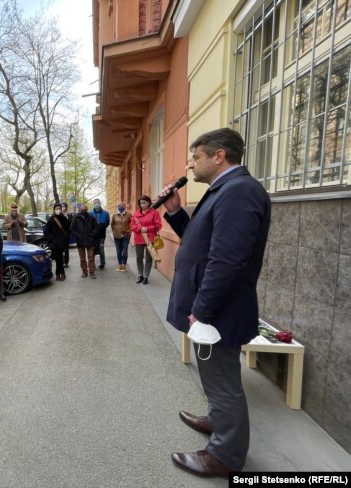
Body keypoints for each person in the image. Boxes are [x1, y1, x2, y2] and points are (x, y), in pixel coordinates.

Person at [160, 128, 271, 477]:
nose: (191, 164)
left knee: (223, 384)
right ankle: (218, 421)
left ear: (218, 156)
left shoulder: (239, 191)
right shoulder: (224, 190)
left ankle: (224, 456)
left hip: (217, 313)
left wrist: (201, 311)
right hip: (212, 312)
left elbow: (227, 259)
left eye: (196, 157)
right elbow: (202, 241)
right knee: (216, 379)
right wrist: (177, 213)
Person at [130, 196, 162, 284]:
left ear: (149, 203)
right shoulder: (136, 214)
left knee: (148, 258)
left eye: (144, 202)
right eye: (141, 203)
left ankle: (146, 276)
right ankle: (140, 275)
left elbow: (158, 226)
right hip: (139, 238)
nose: (142, 205)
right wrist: (140, 229)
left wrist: (147, 229)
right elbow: (132, 226)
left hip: (150, 239)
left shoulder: (154, 213)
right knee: (139, 258)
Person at [70, 204, 98, 279]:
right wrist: (78, 236)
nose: (83, 210)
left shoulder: (92, 217)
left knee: (91, 257)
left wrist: (92, 236)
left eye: (84, 209)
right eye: (81, 209)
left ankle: (91, 272)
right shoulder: (76, 218)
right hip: (80, 241)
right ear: (79, 210)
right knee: (82, 258)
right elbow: (72, 229)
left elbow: (96, 228)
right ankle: (84, 272)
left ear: (87, 210)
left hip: (90, 241)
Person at [43, 203, 70, 281]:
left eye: (59, 208)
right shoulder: (51, 219)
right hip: (54, 244)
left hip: (61, 243)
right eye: (57, 208)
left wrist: (66, 237)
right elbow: (46, 231)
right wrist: (51, 239)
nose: (58, 210)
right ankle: (63, 273)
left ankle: (58, 274)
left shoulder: (64, 218)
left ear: (61, 209)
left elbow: (68, 228)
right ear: (54, 209)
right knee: (58, 258)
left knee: (60, 258)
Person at [110, 202, 132, 272]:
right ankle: (119, 265)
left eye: (122, 206)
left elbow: (132, 224)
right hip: (117, 236)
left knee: (124, 251)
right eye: (119, 206)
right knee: (118, 251)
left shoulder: (129, 214)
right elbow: (112, 224)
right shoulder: (114, 215)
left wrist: (129, 231)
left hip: (126, 236)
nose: (121, 207)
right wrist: (115, 231)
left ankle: (124, 265)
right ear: (117, 207)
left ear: (125, 207)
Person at [88, 198, 110, 270]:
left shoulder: (106, 213)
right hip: (93, 236)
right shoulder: (90, 214)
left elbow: (107, 223)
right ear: (93, 204)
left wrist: (101, 228)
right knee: (93, 249)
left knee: (101, 249)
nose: (96, 204)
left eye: (98, 202)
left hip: (102, 236)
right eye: (95, 203)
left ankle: (102, 263)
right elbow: (89, 225)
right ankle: (92, 264)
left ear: (100, 203)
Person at [60, 202, 71, 268]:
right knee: (60, 249)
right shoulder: (58, 214)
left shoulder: (68, 215)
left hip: (66, 234)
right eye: (62, 206)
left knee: (66, 249)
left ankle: (66, 262)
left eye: (64, 206)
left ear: (66, 207)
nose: (63, 207)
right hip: (59, 235)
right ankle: (61, 262)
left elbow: (70, 223)